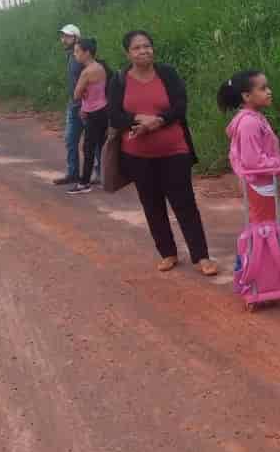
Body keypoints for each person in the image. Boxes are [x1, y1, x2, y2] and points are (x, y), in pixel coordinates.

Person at [107, 30, 218, 276]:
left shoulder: (167, 73)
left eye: (147, 46)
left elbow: (180, 106)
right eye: (137, 48)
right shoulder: (119, 80)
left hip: (174, 151)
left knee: (185, 203)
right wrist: (138, 119)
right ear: (128, 53)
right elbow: (114, 115)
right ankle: (167, 253)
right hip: (137, 155)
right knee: (152, 204)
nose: (144, 51)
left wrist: (157, 121)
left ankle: (201, 256)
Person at [220, 70, 280, 308]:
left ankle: (269, 281)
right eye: (262, 88)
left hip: (263, 185)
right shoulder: (249, 123)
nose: (269, 91)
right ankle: (263, 282)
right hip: (259, 186)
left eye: (267, 87)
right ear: (246, 95)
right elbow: (253, 161)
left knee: (265, 231)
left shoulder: (253, 118)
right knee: (264, 233)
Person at [53, 24, 99, 186]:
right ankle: (73, 173)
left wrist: (87, 103)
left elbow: (94, 78)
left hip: (86, 105)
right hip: (74, 104)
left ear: (76, 38)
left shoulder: (83, 57)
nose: (63, 39)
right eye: (63, 36)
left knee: (93, 140)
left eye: (67, 36)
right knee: (70, 139)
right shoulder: (71, 56)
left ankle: (99, 174)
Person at [68, 37, 110, 195]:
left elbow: (77, 94)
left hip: (93, 113)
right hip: (103, 109)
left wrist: (82, 92)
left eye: (77, 52)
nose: (75, 55)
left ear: (87, 53)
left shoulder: (86, 72)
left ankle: (84, 183)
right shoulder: (100, 67)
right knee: (102, 146)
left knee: (88, 148)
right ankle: (106, 178)